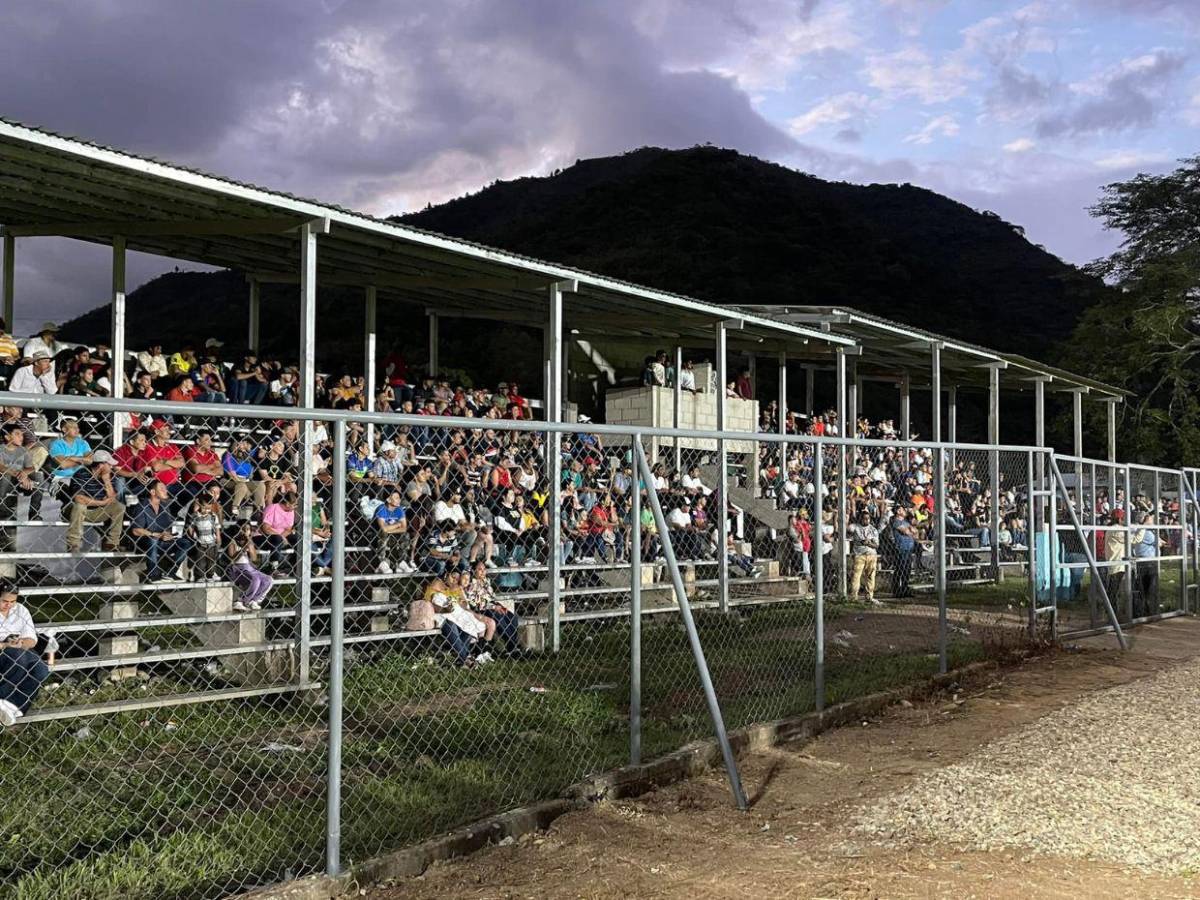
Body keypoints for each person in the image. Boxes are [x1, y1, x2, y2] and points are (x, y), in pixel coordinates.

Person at [0, 581, 49, 725]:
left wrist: (21, 643)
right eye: (4, 601)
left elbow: (32, 639)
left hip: (20, 648)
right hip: (3, 649)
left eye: (13, 601)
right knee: (18, 660)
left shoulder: (21, 610)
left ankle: (14, 707)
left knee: (41, 669)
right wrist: (5, 644)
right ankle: (3, 699)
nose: (9, 605)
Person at [65, 450, 125, 554]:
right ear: (101, 465)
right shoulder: (81, 474)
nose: (112, 467)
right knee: (80, 506)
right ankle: (73, 544)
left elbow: (112, 500)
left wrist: (106, 481)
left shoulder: (110, 476)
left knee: (119, 507)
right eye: (109, 464)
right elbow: (79, 498)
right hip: (76, 510)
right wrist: (102, 503)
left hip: (97, 512)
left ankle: (112, 543)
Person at [131, 480, 191, 581]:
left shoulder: (165, 507)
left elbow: (168, 527)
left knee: (185, 543)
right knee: (152, 540)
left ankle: (170, 572)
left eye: (165, 488)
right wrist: (155, 534)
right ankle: (153, 575)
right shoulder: (141, 506)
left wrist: (170, 533)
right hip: (145, 541)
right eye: (162, 489)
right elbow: (136, 530)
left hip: (162, 540)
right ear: (153, 492)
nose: (165, 491)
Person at [227, 523, 272, 611]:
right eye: (243, 529)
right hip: (237, 569)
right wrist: (243, 548)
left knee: (268, 579)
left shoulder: (249, 542)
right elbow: (233, 558)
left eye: (247, 529)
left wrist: (249, 544)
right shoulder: (232, 541)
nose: (245, 531)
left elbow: (254, 558)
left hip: (249, 568)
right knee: (255, 579)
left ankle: (253, 600)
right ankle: (240, 601)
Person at [185, 491, 223, 581]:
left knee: (211, 561)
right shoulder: (195, 516)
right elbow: (190, 526)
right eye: (204, 508)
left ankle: (210, 575)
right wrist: (194, 535)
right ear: (199, 505)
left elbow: (217, 527)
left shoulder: (213, 516)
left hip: (211, 542)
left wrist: (218, 537)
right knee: (200, 561)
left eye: (209, 509)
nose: (206, 511)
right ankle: (200, 575)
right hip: (200, 542)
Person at [848, 509, 881, 605]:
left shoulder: (873, 530)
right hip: (859, 555)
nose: (866, 520)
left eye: (868, 519)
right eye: (864, 518)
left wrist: (869, 543)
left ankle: (869, 596)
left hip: (871, 554)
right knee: (856, 576)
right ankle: (854, 597)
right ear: (860, 519)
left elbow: (876, 545)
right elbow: (849, 529)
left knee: (871, 576)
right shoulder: (855, 527)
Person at [259, 492, 298, 573]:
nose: (296, 507)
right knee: (277, 538)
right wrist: (281, 537)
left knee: (297, 537)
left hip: (282, 537)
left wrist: (282, 537)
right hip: (266, 537)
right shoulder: (272, 508)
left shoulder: (291, 511)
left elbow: (288, 529)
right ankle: (273, 565)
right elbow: (266, 529)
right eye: (294, 505)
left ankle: (295, 565)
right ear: (287, 504)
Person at [889, 506, 917, 598]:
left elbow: (915, 532)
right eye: (902, 509)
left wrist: (910, 529)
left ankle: (905, 589)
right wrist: (910, 530)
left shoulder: (905, 522)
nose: (905, 511)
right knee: (900, 569)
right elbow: (907, 532)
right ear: (897, 511)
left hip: (908, 549)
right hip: (900, 548)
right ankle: (897, 591)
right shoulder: (896, 521)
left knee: (907, 570)